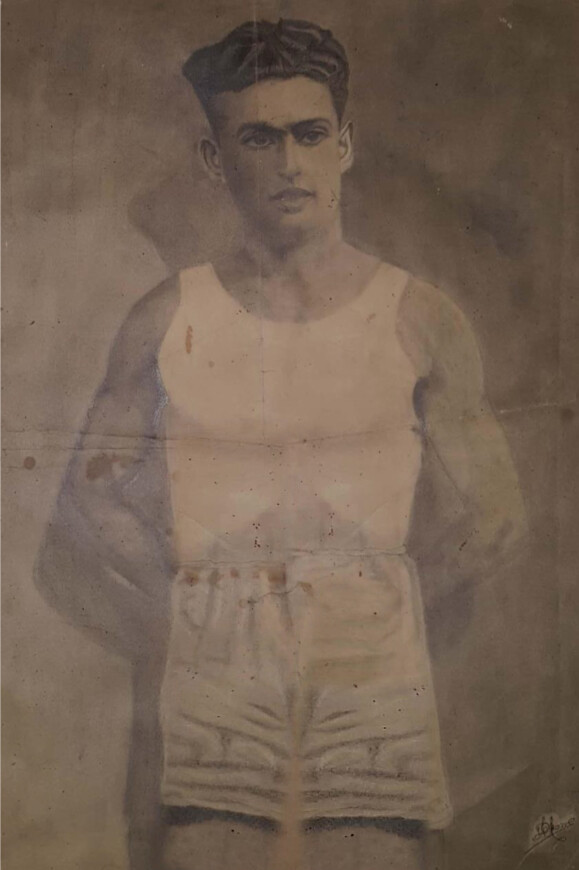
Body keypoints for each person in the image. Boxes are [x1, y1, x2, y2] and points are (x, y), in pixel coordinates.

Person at [35, 18, 527, 870]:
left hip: (367, 672)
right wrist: (186, 608)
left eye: (308, 133)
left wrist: (384, 599)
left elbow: (496, 517)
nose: (289, 163)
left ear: (344, 143)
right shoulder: (167, 315)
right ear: (214, 157)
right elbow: (88, 499)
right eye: (258, 138)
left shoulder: (417, 315)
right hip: (217, 674)